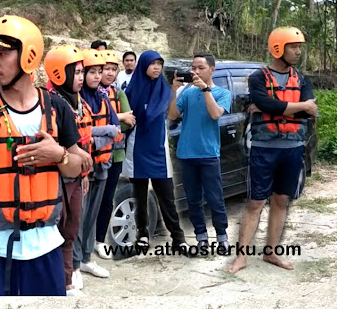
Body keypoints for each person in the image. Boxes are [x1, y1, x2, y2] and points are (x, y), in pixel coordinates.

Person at [0, 15, 85, 296]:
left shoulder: (57, 109)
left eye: (3, 54)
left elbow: (78, 166)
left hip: (45, 245)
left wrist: (58, 155)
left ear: (29, 55)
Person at [226, 26, 316, 273]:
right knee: (255, 202)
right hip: (264, 148)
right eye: (293, 47)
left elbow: (311, 109)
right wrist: (296, 106)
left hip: (293, 147)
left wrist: (274, 107)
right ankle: (241, 257)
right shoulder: (258, 77)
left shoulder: (302, 79)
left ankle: (271, 253)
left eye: (299, 47)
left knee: (281, 200)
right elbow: (266, 102)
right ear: (278, 48)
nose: (298, 52)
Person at [124, 50, 189, 253]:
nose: (156, 67)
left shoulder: (164, 89)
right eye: (152, 63)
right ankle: (142, 235)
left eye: (159, 64)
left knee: (166, 196)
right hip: (137, 149)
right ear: (143, 65)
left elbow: (170, 114)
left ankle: (178, 238)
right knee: (139, 196)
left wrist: (174, 91)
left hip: (159, 150)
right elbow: (126, 118)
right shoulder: (131, 90)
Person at [168, 53, 232, 253]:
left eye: (200, 68)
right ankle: (201, 237)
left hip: (208, 155)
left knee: (215, 198)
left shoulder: (222, 93)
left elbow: (215, 114)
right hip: (187, 154)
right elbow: (171, 115)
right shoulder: (187, 93)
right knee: (193, 199)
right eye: (193, 68)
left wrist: (205, 90)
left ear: (212, 70)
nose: (195, 71)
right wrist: (174, 90)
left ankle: (222, 236)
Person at [44, 45, 94, 296]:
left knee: (72, 227)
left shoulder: (77, 101)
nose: (81, 78)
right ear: (58, 73)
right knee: (60, 228)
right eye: (75, 73)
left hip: (76, 175)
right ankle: (63, 281)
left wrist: (83, 173)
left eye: (81, 72)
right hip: (59, 177)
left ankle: (68, 274)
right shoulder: (52, 102)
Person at [73, 49, 118, 285]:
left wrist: (99, 136)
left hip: (103, 164)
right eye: (91, 72)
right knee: (78, 217)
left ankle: (87, 257)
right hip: (84, 166)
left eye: (99, 72)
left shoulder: (103, 97)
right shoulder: (77, 100)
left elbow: (116, 128)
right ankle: (75, 261)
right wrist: (103, 134)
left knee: (91, 216)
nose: (95, 76)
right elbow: (81, 135)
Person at [94, 50, 136, 259]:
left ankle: (99, 240)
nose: (109, 73)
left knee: (107, 199)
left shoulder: (119, 94)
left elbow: (129, 123)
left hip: (115, 155)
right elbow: (92, 122)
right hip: (94, 155)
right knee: (89, 201)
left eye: (113, 69)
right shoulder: (90, 94)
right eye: (105, 69)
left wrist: (113, 121)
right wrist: (117, 118)